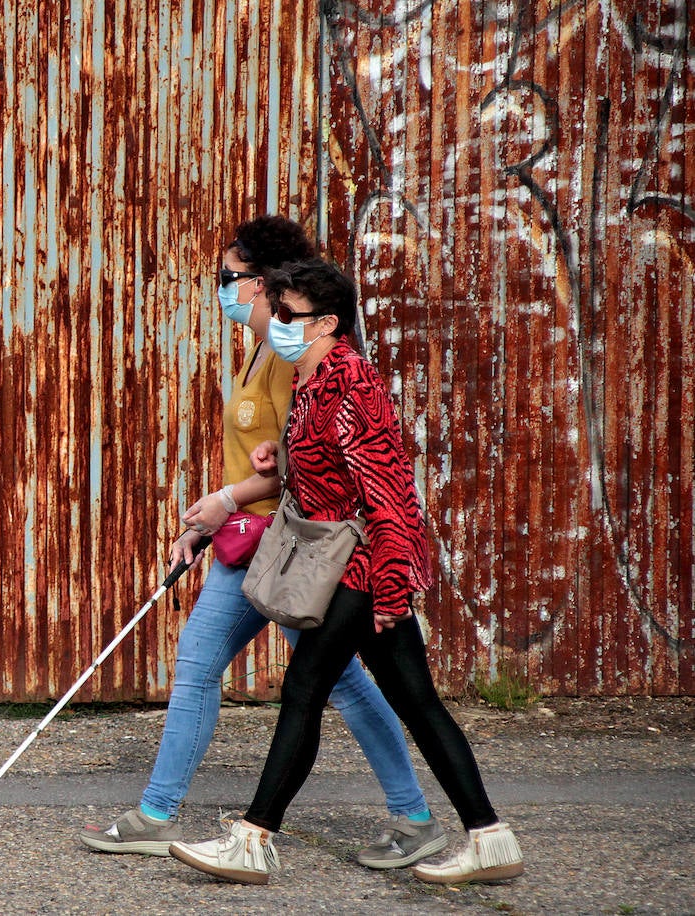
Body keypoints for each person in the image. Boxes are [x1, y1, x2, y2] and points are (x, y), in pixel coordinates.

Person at [80, 217, 445, 872]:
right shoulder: (258, 349)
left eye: (230, 278)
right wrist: (210, 518)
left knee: (321, 681)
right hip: (258, 537)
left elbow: (300, 459)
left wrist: (226, 502)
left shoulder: (286, 357)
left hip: (292, 543)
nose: (222, 289)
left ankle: (414, 816)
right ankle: (157, 813)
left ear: (263, 281)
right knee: (266, 672)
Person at [168, 258, 525, 885]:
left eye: (287, 314)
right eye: (273, 309)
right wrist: (281, 453)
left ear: (326, 322)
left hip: (364, 568)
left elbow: (389, 495)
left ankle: (254, 838)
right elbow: (328, 468)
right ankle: (489, 837)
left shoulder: (350, 380)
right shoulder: (312, 382)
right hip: (351, 566)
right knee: (416, 700)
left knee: (305, 689)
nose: (274, 322)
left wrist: (390, 589)